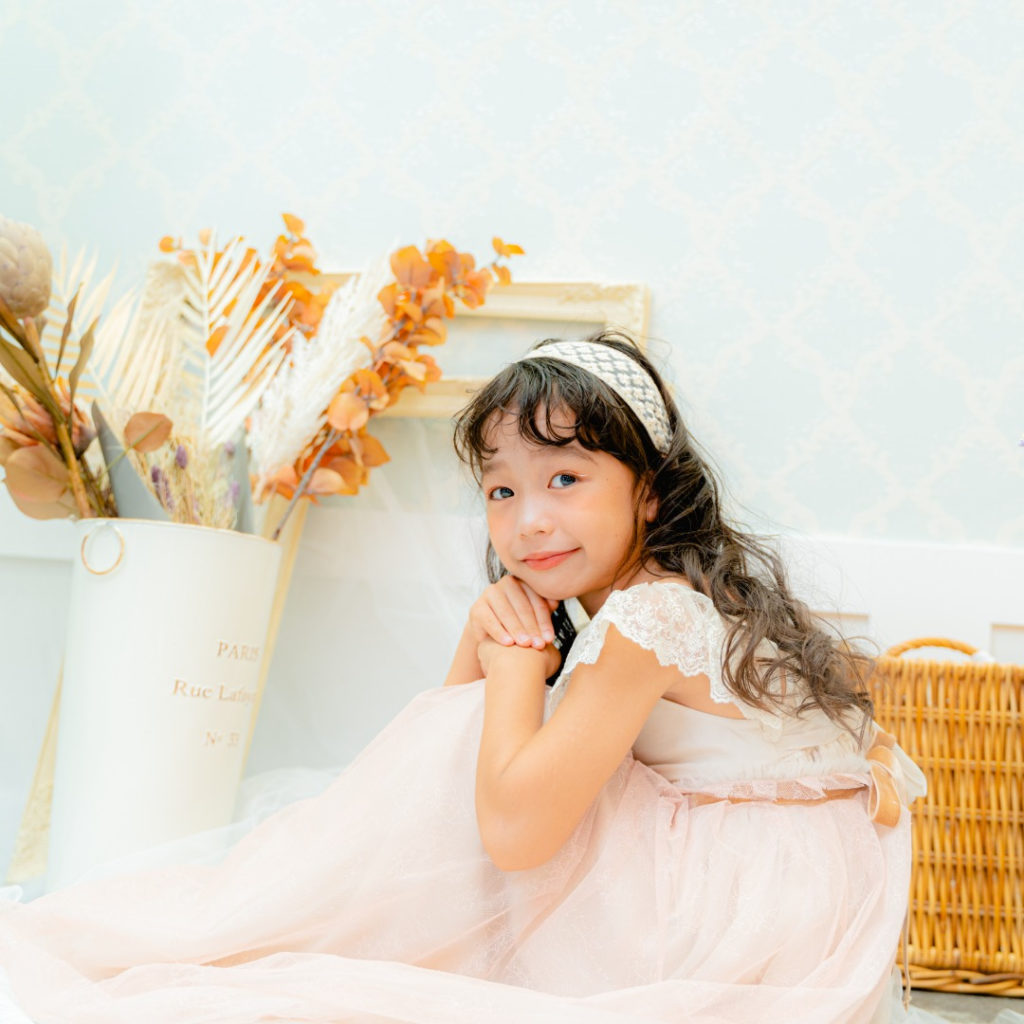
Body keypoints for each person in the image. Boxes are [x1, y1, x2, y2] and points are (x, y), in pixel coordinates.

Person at [0, 331, 928, 1024]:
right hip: (775, 873)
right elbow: (442, 744)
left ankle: (294, 916)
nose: (528, 521)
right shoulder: (631, 597)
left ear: (649, 492)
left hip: (751, 910)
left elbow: (514, 833)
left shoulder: (651, 617)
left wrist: (515, 665)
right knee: (475, 765)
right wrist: (487, 642)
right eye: (501, 490)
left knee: (480, 823)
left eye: (565, 479)